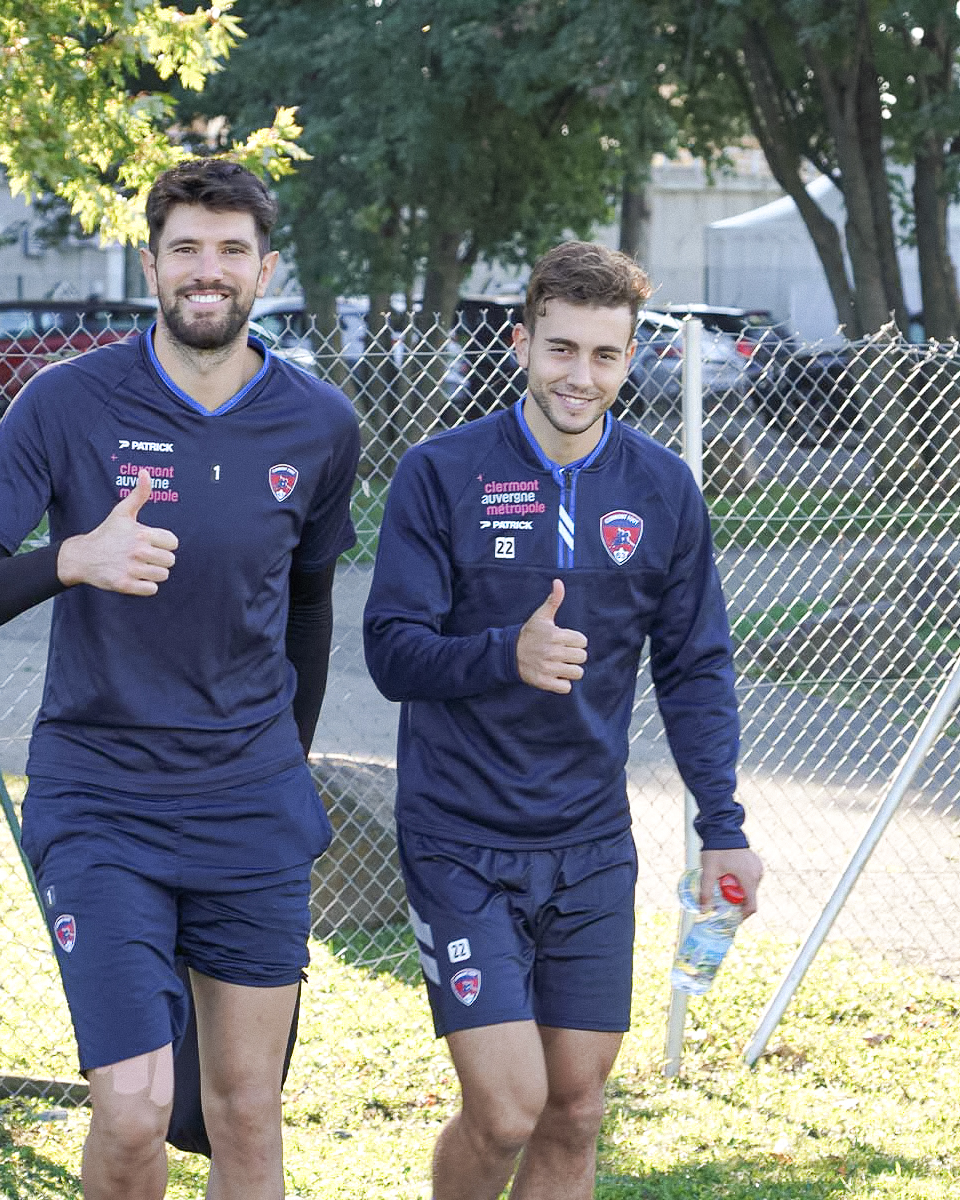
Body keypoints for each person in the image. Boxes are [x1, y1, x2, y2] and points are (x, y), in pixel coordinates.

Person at [0, 158, 360, 1200]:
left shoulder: (319, 423)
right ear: (150, 261)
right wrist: (68, 559)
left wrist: (282, 763)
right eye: (186, 250)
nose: (208, 272)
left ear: (266, 268)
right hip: (102, 800)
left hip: (250, 804)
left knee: (248, 1114)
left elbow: (307, 603)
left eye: (230, 251)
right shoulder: (65, 403)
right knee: (131, 1112)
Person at [362, 242, 763, 1200]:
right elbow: (390, 652)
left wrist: (723, 826)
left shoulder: (664, 488)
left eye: (604, 356)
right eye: (561, 350)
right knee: (505, 1110)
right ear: (521, 344)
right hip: (460, 838)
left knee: (575, 1109)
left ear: (629, 359)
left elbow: (696, 667)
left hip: (589, 843)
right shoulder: (441, 473)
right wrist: (507, 652)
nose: (580, 377)